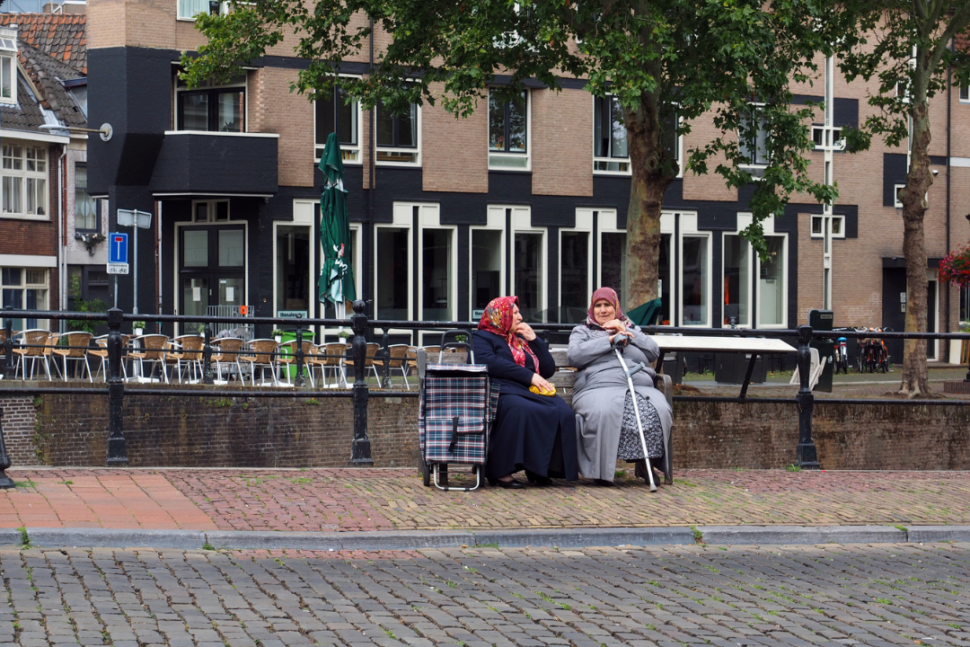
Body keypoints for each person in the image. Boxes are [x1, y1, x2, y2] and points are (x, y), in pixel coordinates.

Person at [567, 287, 672, 486]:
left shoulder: (630, 327)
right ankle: (600, 471)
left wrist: (626, 330)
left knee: (658, 410)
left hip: (639, 386)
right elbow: (574, 356)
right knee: (605, 412)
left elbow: (653, 352)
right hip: (598, 386)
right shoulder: (583, 331)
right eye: (598, 305)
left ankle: (646, 463)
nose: (603, 310)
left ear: (616, 308)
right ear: (592, 309)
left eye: (607, 305)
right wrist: (609, 340)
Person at [472, 296, 579, 488]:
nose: (520, 317)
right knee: (520, 409)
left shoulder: (521, 340)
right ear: (500, 316)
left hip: (528, 391)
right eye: (514, 313)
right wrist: (529, 376)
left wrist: (535, 340)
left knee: (563, 412)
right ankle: (501, 471)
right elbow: (488, 361)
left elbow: (547, 369)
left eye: (519, 313)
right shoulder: (482, 337)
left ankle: (541, 469)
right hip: (501, 390)